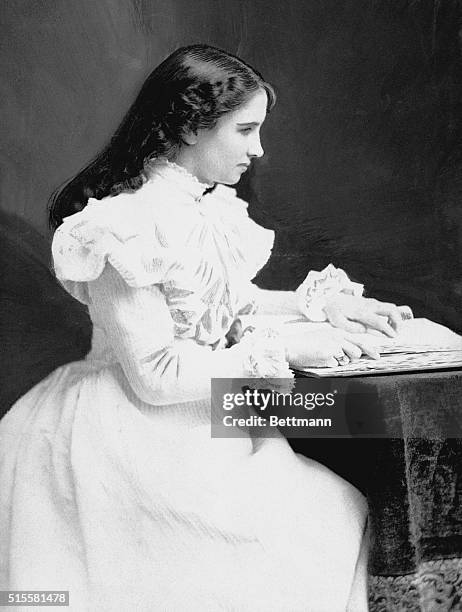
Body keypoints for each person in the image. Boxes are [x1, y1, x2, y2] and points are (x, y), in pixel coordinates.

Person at [0, 44, 401, 611]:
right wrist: (283, 350)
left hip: (213, 414)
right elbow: (157, 375)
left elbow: (223, 305)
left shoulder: (209, 210)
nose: (257, 150)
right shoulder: (120, 226)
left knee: (355, 474)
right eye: (245, 130)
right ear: (190, 126)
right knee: (323, 518)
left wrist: (322, 308)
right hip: (130, 434)